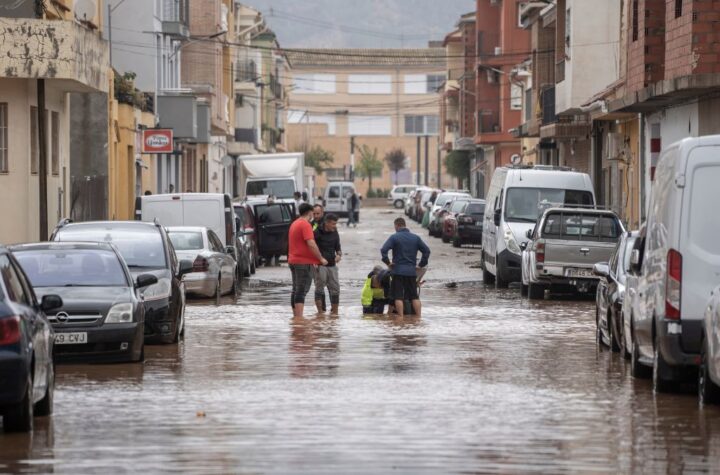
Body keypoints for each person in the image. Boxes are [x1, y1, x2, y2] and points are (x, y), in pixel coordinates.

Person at [380, 217, 431, 317]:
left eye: (395, 227)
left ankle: (401, 318)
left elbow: (383, 250)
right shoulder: (416, 238)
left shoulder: (394, 237)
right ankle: (418, 318)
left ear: (397, 225)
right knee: (414, 296)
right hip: (411, 272)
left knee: (398, 296)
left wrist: (388, 263)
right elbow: (427, 251)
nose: (395, 229)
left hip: (398, 272)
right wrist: (420, 265)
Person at [288, 203, 328, 317]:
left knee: (295, 289)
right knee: (301, 290)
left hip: (293, 261)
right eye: (312, 212)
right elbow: (311, 243)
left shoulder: (294, 223)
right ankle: (299, 318)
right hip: (302, 263)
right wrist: (320, 258)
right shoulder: (305, 225)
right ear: (310, 212)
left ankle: (295, 317)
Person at [313, 213, 342, 314]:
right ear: (327, 223)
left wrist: (339, 255)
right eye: (333, 224)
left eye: (335, 224)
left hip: (332, 265)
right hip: (320, 265)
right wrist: (314, 261)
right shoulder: (317, 232)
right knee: (319, 289)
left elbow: (338, 248)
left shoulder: (335, 232)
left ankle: (335, 313)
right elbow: (311, 247)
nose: (335, 226)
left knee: (336, 289)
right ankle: (320, 313)